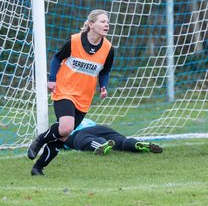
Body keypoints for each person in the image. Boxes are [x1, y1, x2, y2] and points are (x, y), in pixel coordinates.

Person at [28, 9, 114, 175]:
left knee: (63, 137)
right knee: (66, 128)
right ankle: (40, 140)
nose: (106, 24)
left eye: (107, 22)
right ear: (91, 24)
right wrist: (52, 79)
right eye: (102, 21)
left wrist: (103, 86)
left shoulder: (108, 48)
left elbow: (105, 71)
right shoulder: (74, 41)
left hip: (84, 97)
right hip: (65, 90)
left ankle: (38, 168)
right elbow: (57, 58)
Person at [30, 118, 163, 176]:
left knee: (89, 141)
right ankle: (135, 144)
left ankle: (100, 145)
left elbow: (56, 143)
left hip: (78, 134)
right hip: (98, 127)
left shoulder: (63, 127)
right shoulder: (82, 118)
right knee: (121, 141)